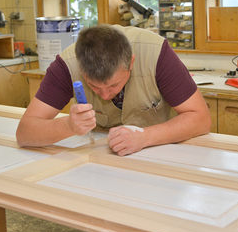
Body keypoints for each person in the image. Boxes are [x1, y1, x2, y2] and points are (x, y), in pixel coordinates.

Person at [16, 24, 211, 156]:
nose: (105, 95)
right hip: (99, 160)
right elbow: (24, 134)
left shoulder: (157, 54)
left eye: (113, 85)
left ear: (131, 62)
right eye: (94, 86)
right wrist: (67, 125)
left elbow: (201, 119)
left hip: (159, 152)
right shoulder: (66, 66)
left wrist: (144, 137)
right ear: (80, 67)